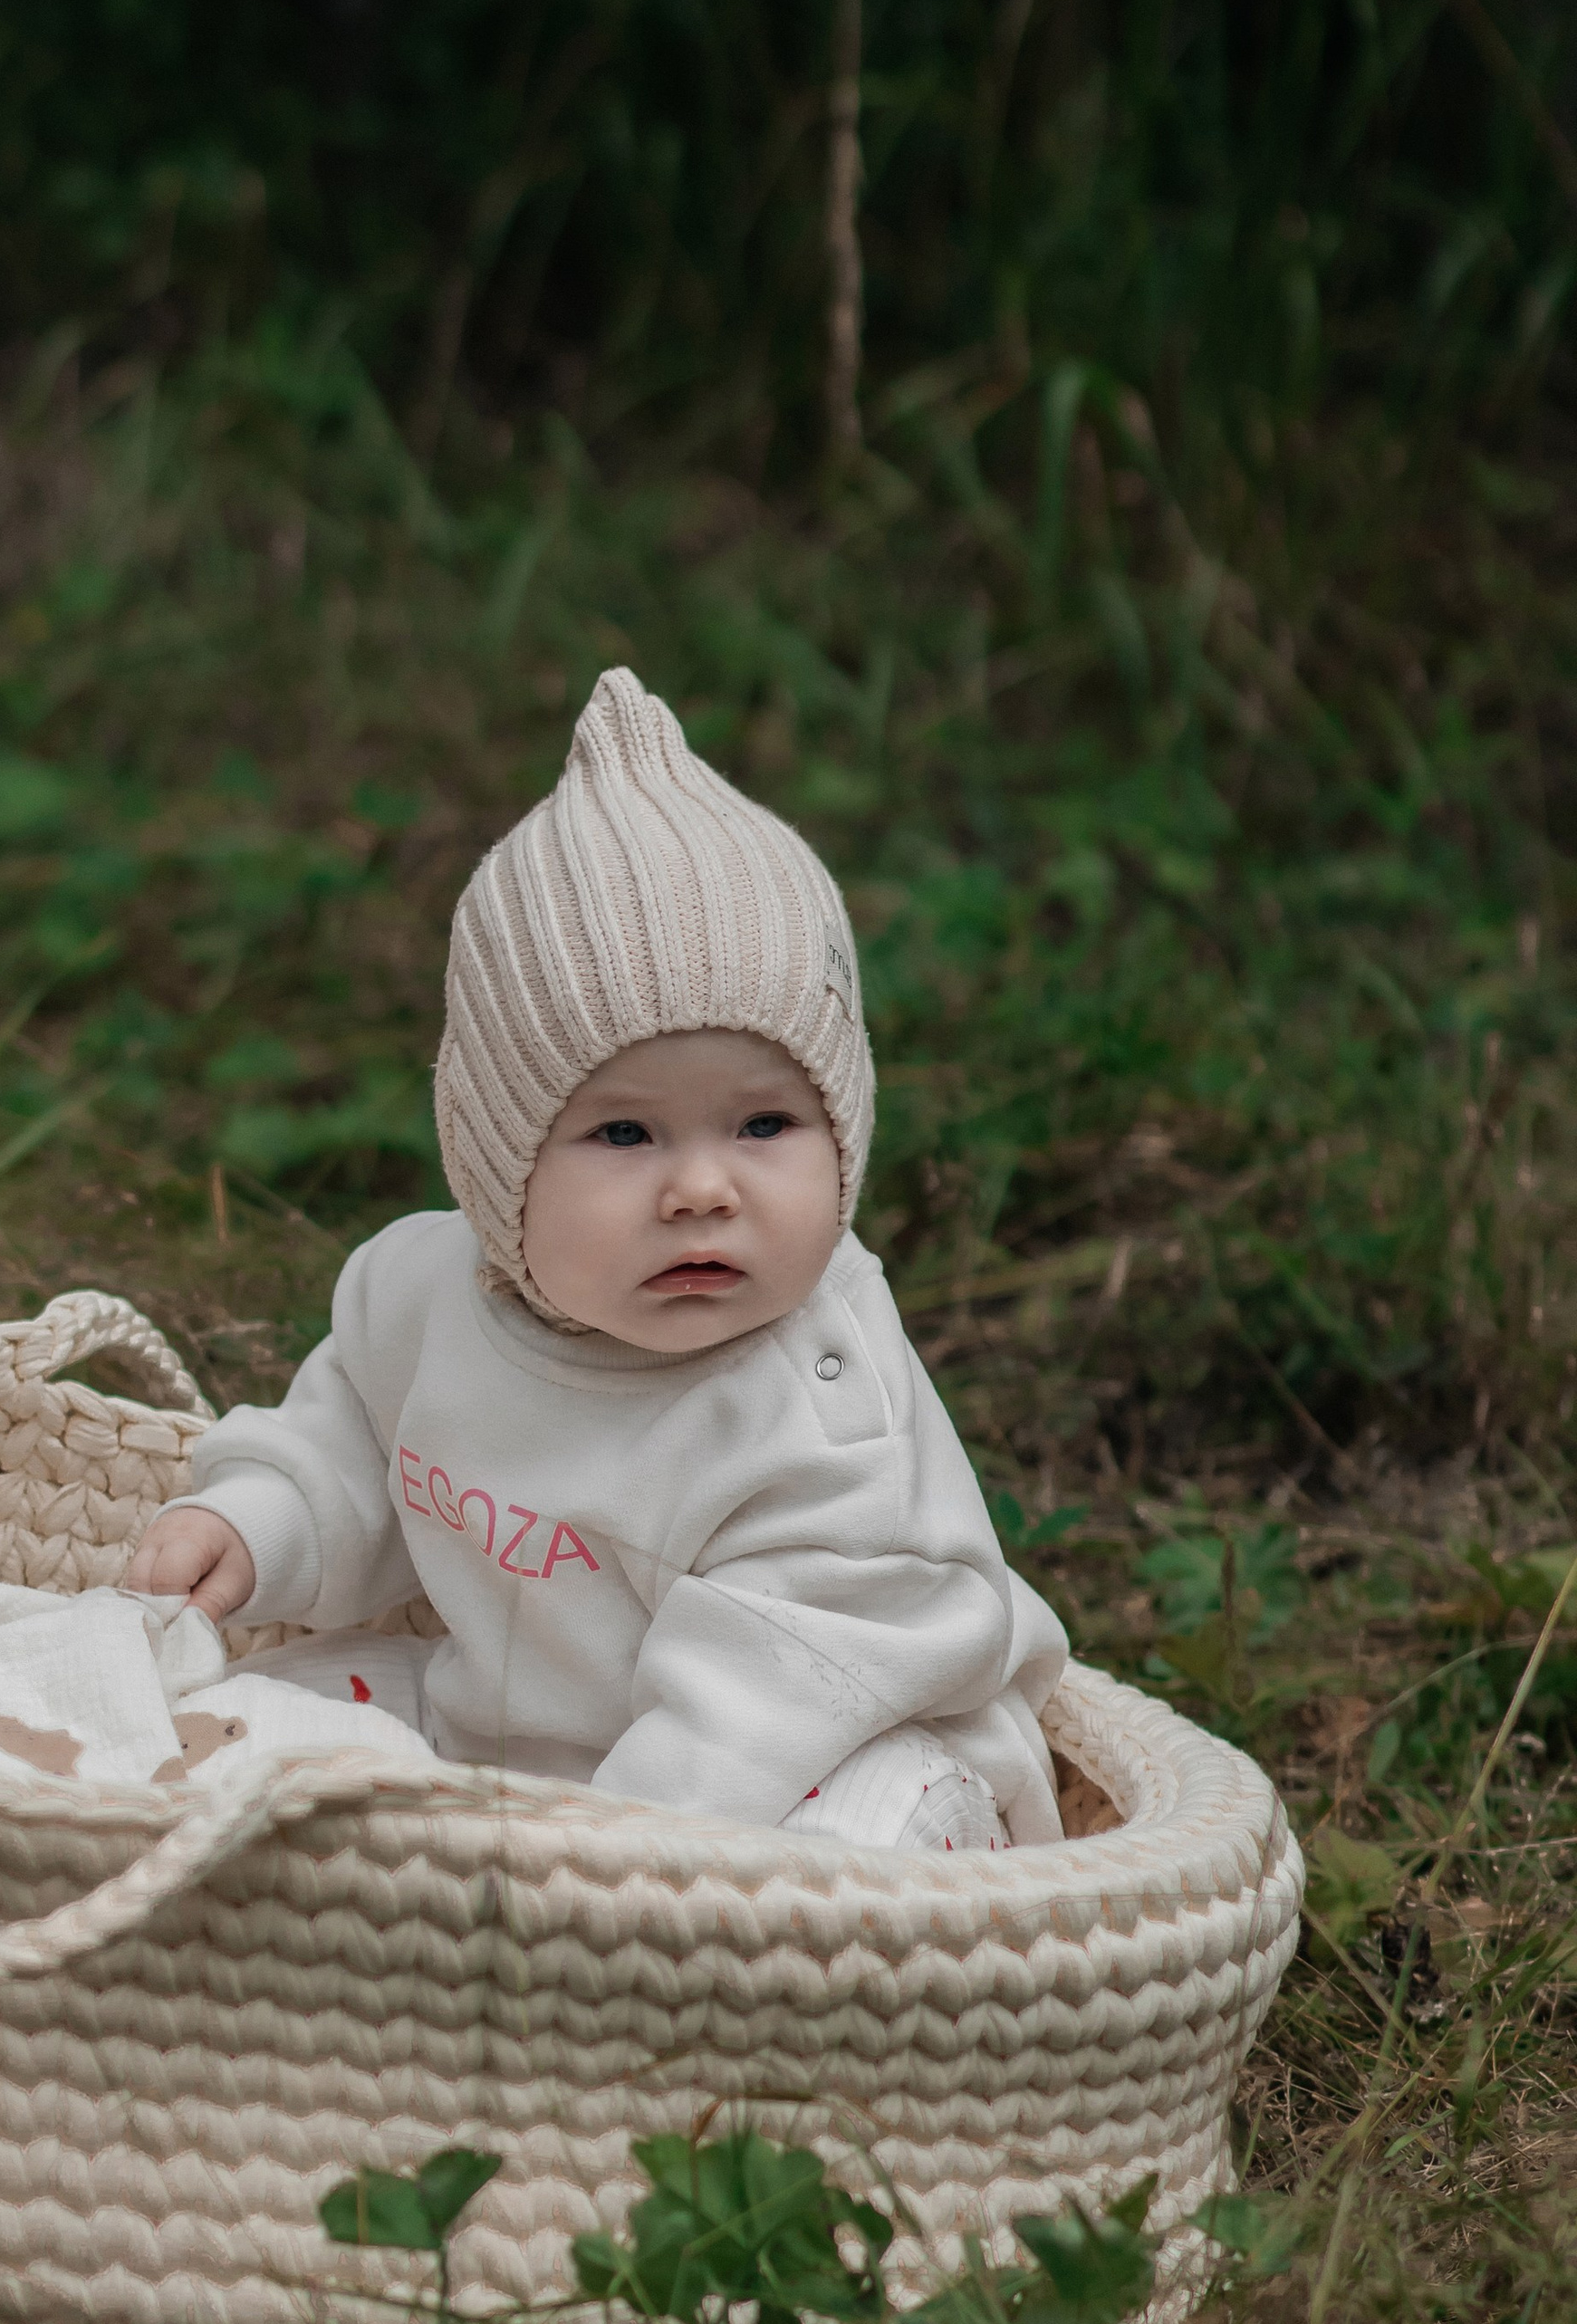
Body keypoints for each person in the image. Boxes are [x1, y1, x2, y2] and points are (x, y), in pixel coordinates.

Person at [125, 667, 1063, 1851]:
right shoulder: (419, 1297)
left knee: (869, 1828)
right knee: (237, 1722)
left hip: (805, 1755)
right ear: (496, 1160)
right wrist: (261, 1520)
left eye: (765, 1125)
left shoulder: (818, 1412)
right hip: (505, 1742)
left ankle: (717, 1980)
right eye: (625, 1133)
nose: (702, 1188)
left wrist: (598, 1870)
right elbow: (353, 1442)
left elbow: (768, 1696)